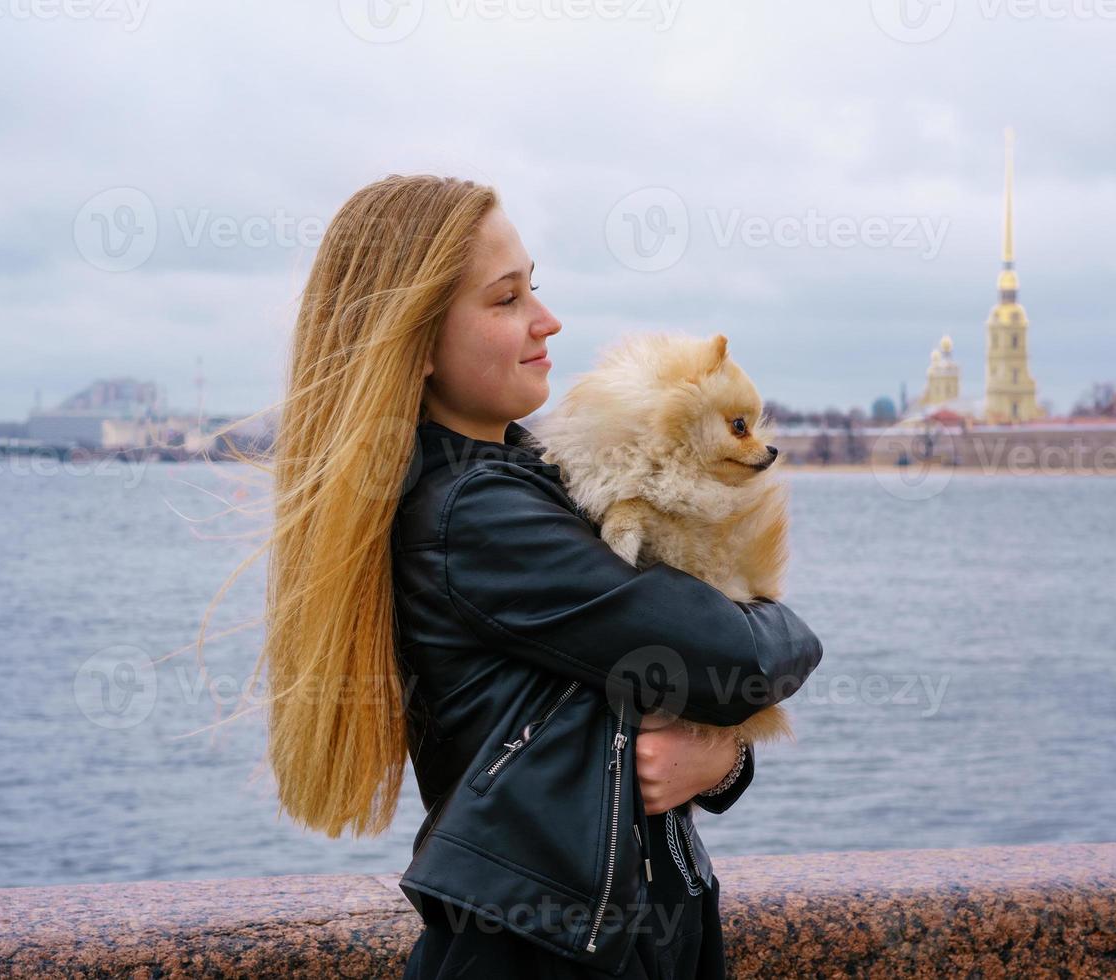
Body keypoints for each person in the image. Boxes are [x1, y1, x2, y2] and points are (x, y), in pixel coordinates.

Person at [244, 174, 823, 979]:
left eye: (535, 288)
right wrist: (780, 641)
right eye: (506, 299)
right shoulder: (474, 517)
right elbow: (735, 659)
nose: (546, 321)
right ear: (414, 345)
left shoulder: (525, 486)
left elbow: (638, 711)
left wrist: (720, 759)